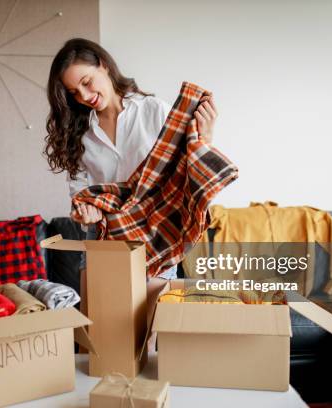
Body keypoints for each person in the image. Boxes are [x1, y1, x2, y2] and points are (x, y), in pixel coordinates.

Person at [44, 38, 218, 280]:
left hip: (153, 237)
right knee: (104, 316)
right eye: (74, 92)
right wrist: (84, 211)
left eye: (86, 82)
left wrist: (205, 138)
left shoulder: (154, 111)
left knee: (154, 316)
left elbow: (188, 171)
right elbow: (80, 192)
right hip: (104, 238)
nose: (84, 95)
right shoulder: (79, 133)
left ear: (103, 65)